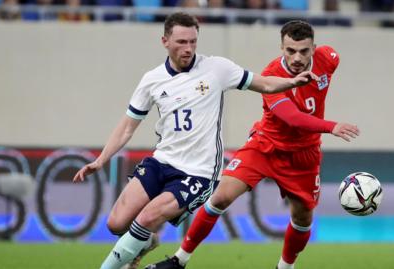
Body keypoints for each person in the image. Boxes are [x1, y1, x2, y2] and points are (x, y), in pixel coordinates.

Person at [73, 12, 318, 269]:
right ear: (165, 41)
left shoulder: (217, 69)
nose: (188, 48)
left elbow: (265, 84)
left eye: (193, 42)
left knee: (146, 218)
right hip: (162, 161)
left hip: (198, 173)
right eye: (181, 42)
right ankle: (146, 241)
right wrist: (101, 160)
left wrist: (292, 82)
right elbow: (126, 127)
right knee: (116, 223)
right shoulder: (152, 80)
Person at [146, 20, 360, 269]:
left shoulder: (329, 58)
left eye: (304, 51)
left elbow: (329, 65)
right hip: (266, 146)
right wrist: (331, 126)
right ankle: (179, 260)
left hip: (304, 154)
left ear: (314, 48)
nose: (297, 58)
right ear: (282, 48)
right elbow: (292, 118)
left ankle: (285, 268)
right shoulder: (272, 77)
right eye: (290, 51)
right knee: (220, 197)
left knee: (303, 217)